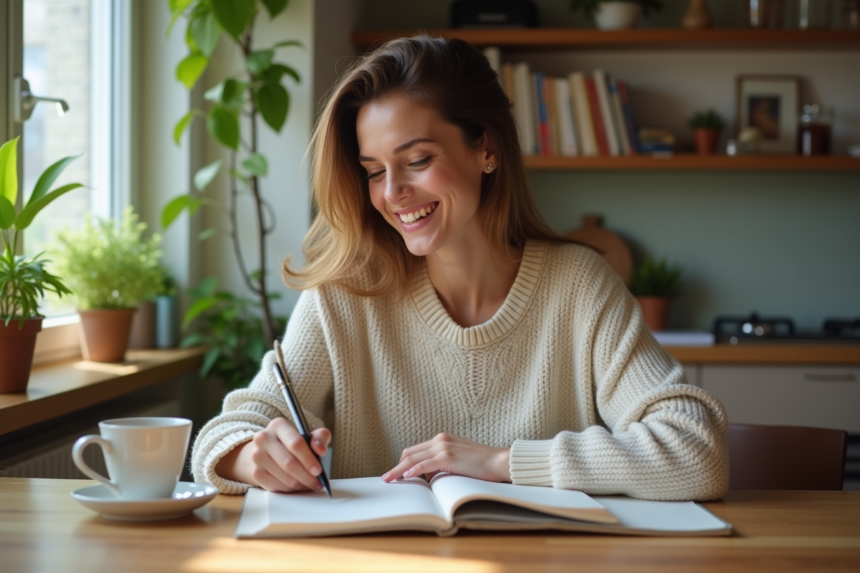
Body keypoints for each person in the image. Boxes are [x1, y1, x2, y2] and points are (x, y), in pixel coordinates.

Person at [191, 35, 729, 501]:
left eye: (418, 161)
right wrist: (251, 456)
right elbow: (224, 435)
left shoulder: (580, 287)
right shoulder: (344, 295)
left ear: (486, 150)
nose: (393, 193)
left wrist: (502, 464)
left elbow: (696, 449)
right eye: (374, 171)